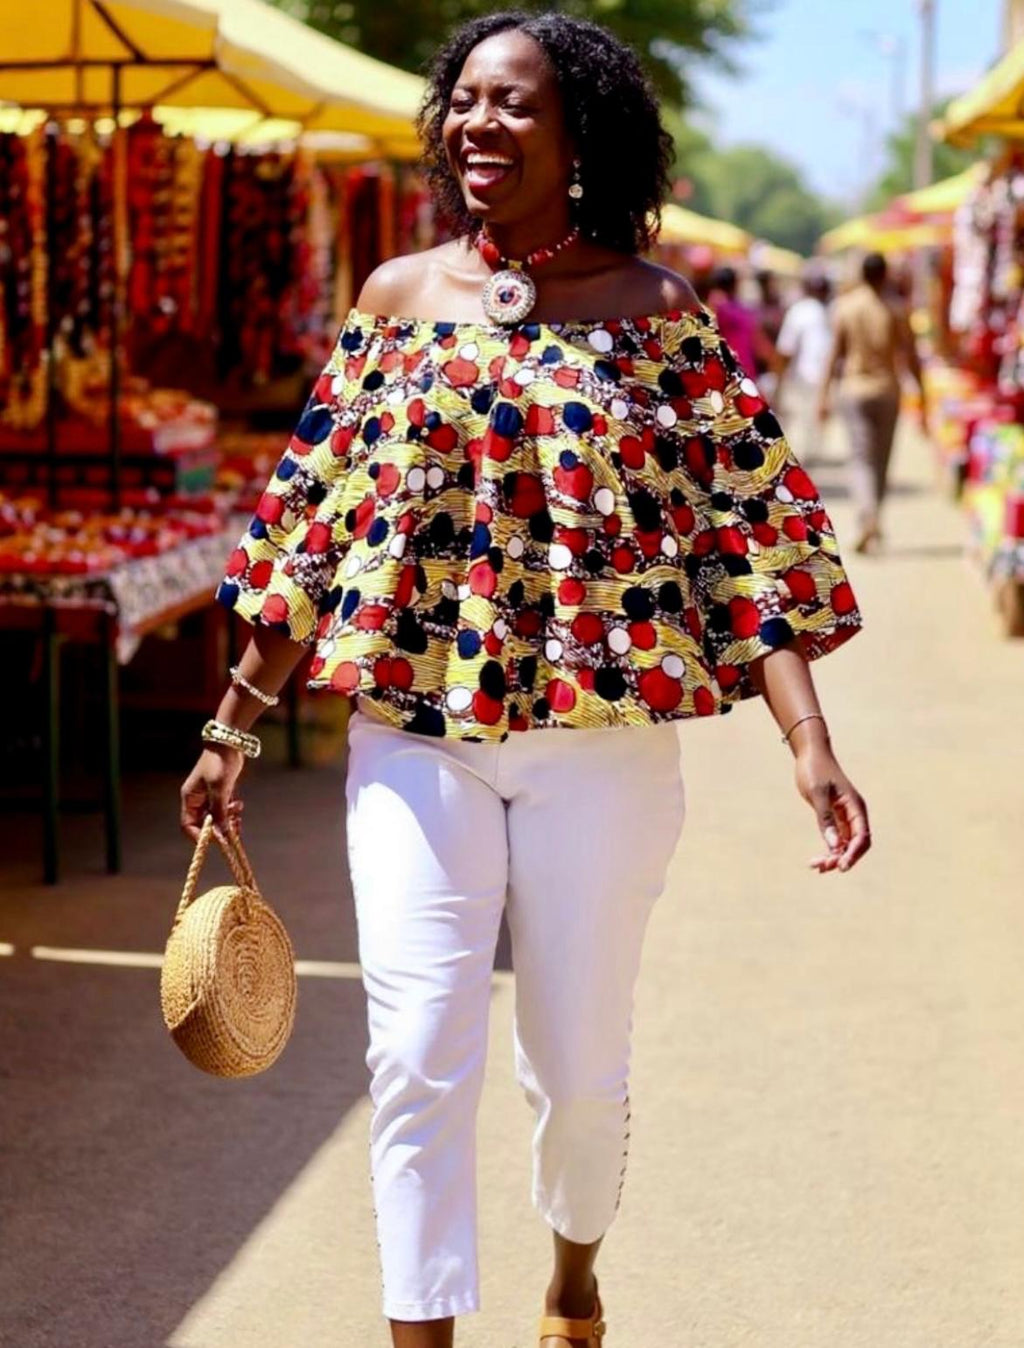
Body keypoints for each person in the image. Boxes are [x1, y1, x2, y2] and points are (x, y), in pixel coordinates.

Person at [181, 13, 871, 1347]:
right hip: (415, 736)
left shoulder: (659, 315)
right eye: (467, 102)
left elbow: (747, 544)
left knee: (576, 1074)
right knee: (417, 1056)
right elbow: (313, 533)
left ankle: (571, 1274)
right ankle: (423, 1331)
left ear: (581, 136)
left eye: (514, 106)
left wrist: (809, 741)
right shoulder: (393, 303)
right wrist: (230, 726)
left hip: (601, 746)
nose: (479, 126)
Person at [818, 252, 928, 553]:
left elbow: (834, 356)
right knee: (881, 460)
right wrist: (923, 394)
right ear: (884, 275)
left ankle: (868, 516)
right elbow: (911, 355)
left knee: (861, 458)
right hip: (888, 391)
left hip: (855, 390)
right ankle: (873, 516)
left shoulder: (846, 307)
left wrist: (823, 396)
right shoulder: (896, 308)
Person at [775, 270, 834, 465]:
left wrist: (779, 380)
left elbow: (785, 349)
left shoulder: (801, 310)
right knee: (810, 429)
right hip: (817, 378)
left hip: (804, 377)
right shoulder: (829, 310)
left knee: (804, 428)